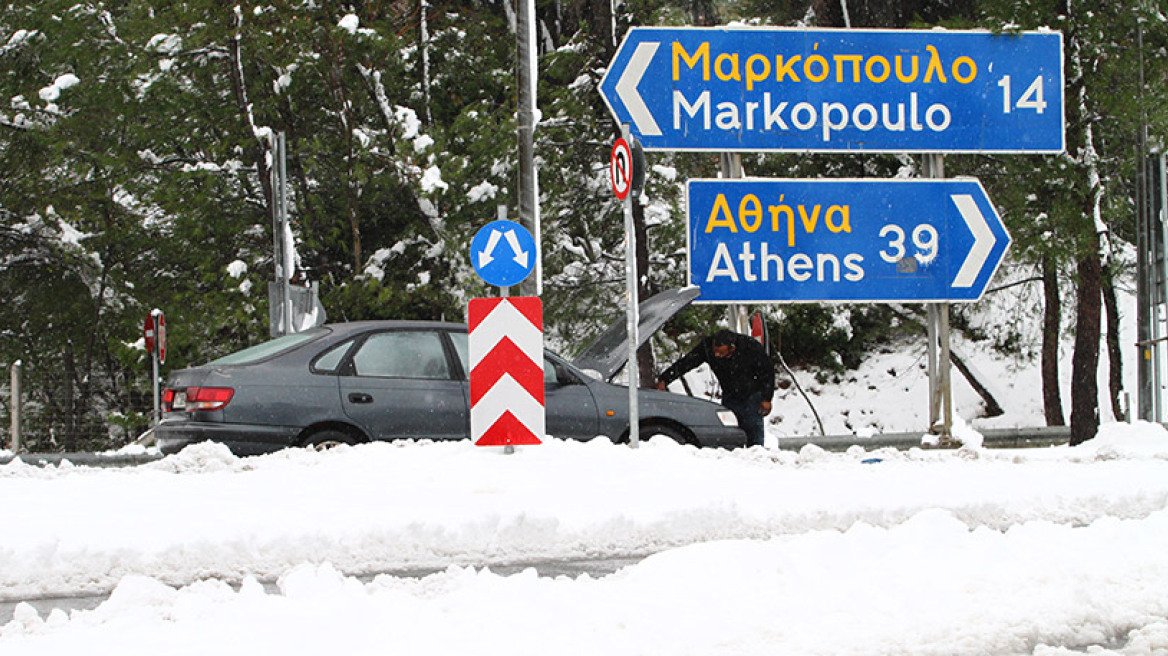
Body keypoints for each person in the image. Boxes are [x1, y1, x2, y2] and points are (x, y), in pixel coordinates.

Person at [654, 329, 775, 448]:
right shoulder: (707, 347)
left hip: (752, 395)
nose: (717, 355)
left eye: (721, 353)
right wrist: (665, 379)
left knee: (753, 434)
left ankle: (756, 455)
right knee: (730, 433)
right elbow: (687, 362)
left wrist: (767, 398)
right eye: (715, 352)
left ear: (732, 348)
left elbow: (767, 373)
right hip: (730, 395)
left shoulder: (751, 347)